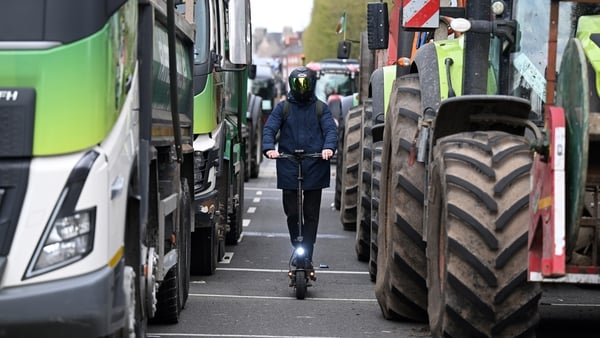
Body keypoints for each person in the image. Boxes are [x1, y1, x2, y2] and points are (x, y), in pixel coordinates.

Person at [262, 66, 338, 272]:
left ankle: (307, 253)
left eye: (306, 84)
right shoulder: (283, 108)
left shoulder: (321, 108)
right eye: (298, 84)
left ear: (312, 84)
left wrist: (328, 148)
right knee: (293, 213)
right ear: (291, 84)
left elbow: (330, 130)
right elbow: (270, 129)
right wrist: (269, 148)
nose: (302, 88)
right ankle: (298, 248)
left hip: (314, 166)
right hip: (289, 166)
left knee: (311, 214)